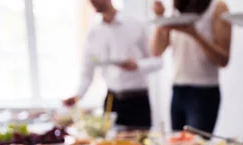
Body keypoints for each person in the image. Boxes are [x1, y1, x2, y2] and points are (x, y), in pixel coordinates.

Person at [63, 0, 162, 127]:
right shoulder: (93, 33)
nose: (92, 2)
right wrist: (77, 96)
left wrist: (137, 65)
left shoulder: (136, 24)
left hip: (138, 100)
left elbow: (158, 61)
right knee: (109, 144)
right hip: (111, 100)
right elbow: (87, 73)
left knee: (140, 143)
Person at [150, 0, 232, 133]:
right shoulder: (176, 10)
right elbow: (156, 50)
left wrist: (194, 34)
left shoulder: (217, 7)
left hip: (204, 91)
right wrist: (160, 17)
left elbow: (223, 59)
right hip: (178, 89)